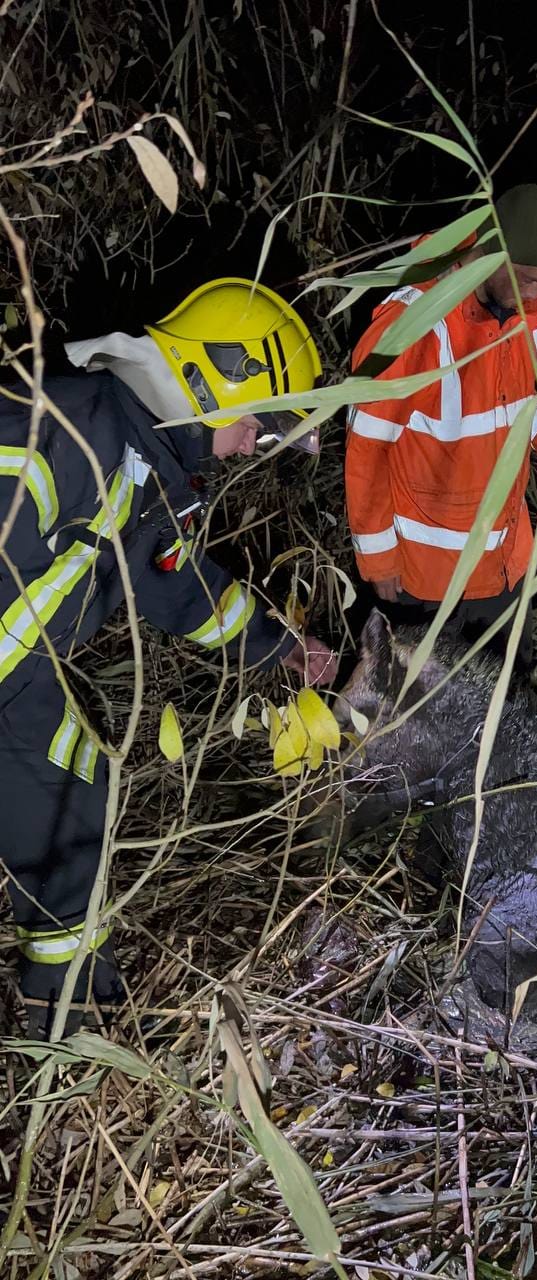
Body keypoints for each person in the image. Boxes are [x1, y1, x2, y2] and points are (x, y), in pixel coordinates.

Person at [0, 277, 336, 1036]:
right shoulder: (59, 431)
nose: (257, 443)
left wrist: (283, 649)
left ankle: (72, 1032)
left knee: (72, 794)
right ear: (207, 384)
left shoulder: (144, 469)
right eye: (259, 421)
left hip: (17, 682)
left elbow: (178, 585)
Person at [345, 184, 537, 668]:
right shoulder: (413, 323)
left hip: (503, 562)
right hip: (424, 578)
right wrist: (379, 557)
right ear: (491, 254)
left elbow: (520, 405)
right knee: (418, 722)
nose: (536, 295)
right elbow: (366, 444)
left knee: (505, 707)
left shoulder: (524, 312)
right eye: (528, 279)